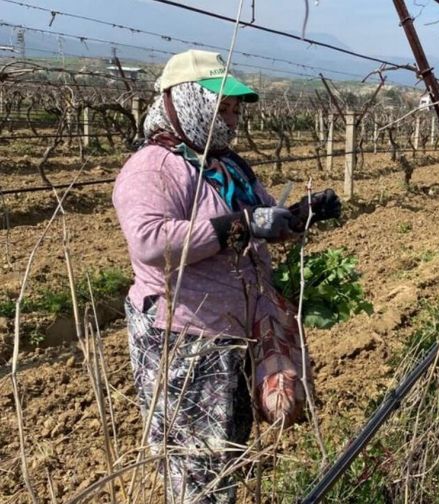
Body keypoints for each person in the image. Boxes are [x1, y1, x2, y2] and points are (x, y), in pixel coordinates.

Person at [113, 49, 341, 502]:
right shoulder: (155, 167)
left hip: (233, 332)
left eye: (236, 109)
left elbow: (262, 220)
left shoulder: (227, 166)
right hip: (184, 337)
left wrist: (299, 216)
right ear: (185, 101)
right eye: (223, 107)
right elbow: (151, 241)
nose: (233, 119)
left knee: (228, 449)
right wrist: (240, 224)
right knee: (197, 465)